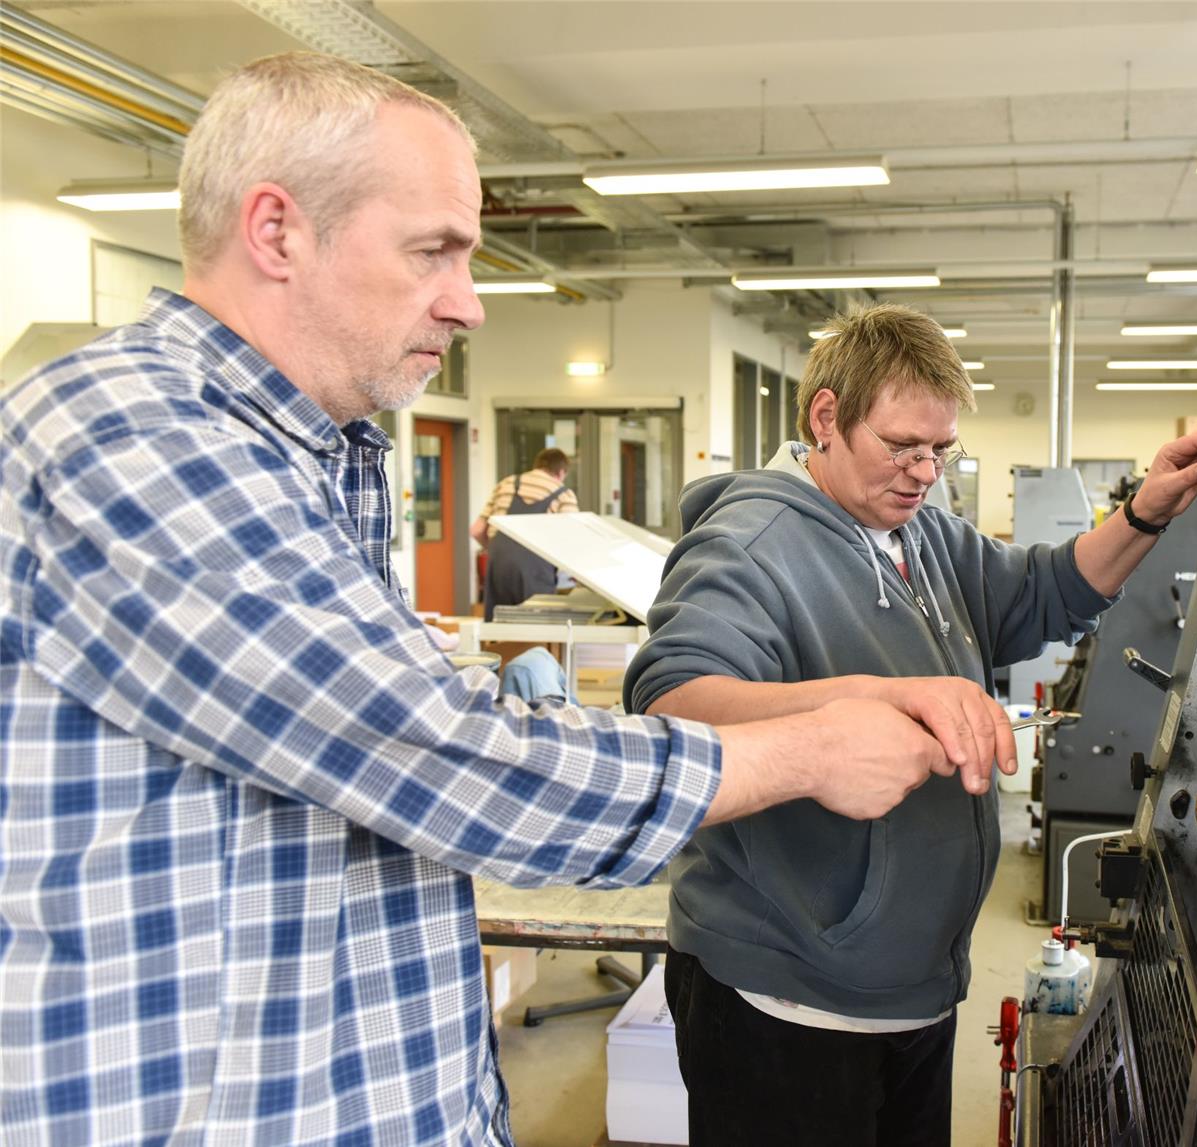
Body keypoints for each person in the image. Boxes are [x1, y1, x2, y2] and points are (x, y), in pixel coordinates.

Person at [0, 54, 956, 1147]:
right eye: (434, 251)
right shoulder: (139, 440)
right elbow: (445, 758)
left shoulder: (315, 458)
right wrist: (808, 750)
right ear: (276, 232)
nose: (469, 301)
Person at [624, 304, 1197, 1147]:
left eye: (942, 450)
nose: (924, 473)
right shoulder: (749, 543)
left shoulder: (920, 532)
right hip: (790, 1003)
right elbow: (674, 703)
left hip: (913, 987)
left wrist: (1146, 515)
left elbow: (1044, 591)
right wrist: (867, 701)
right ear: (826, 417)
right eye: (903, 446)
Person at [471, 447, 579, 620]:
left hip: (499, 564)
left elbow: (476, 530)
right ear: (561, 473)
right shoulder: (564, 494)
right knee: (534, 626)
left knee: (498, 624)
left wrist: (496, 550)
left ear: (537, 466)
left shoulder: (506, 484)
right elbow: (572, 541)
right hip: (536, 568)